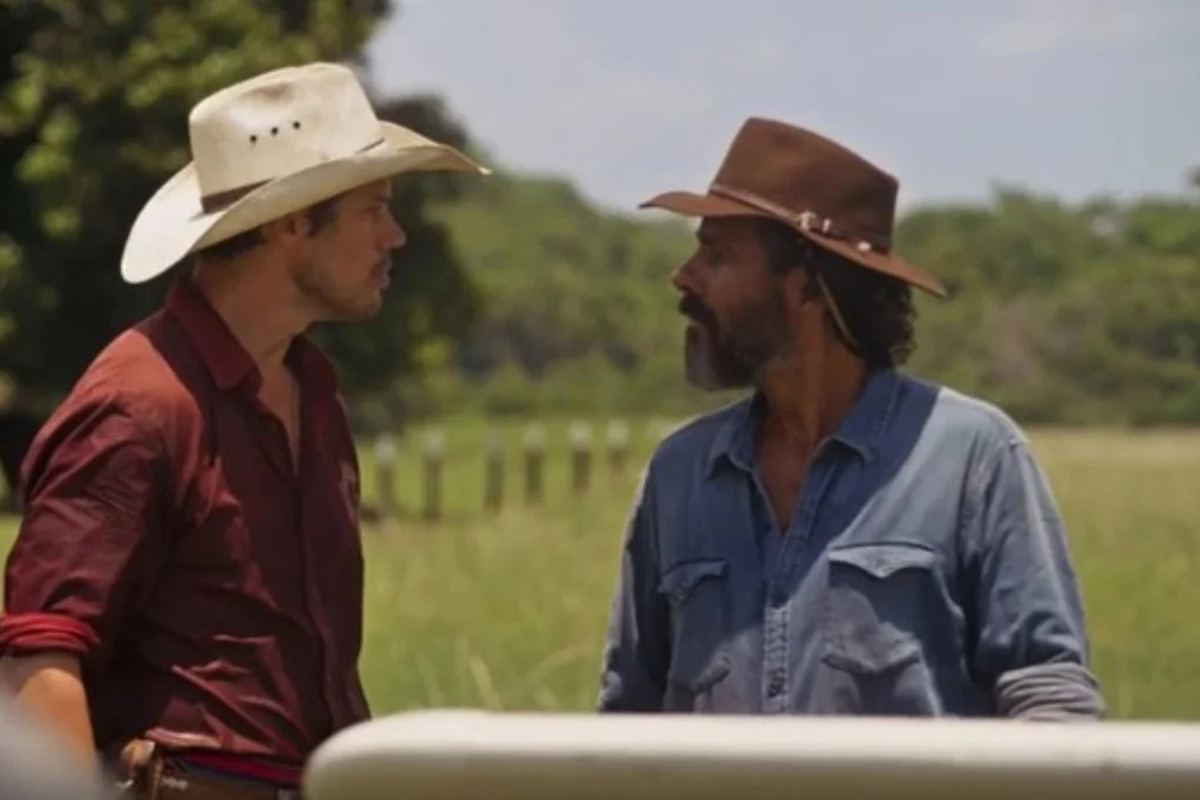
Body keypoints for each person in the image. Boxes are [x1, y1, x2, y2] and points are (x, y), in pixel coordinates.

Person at [0, 61, 487, 797]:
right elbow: (40, 663)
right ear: (294, 222)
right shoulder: (138, 405)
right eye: (375, 208)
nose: (396, 237)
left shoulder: (314, 391)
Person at [597, 117, 1103, 719]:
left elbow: (1048, 697)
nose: (684, 276)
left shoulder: (972, 458)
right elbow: (630, 714)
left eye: (716, 254)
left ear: (808, 285)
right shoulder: (681, 472)